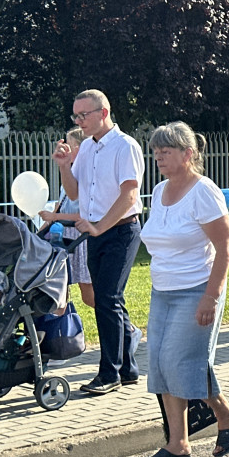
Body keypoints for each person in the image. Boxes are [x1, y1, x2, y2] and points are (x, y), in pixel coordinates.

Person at [137, 122, 229, 457]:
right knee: (159, 362)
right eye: (155, 151)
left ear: (188, 154)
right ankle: (178, 443)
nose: (158, 156)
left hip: (197, 288)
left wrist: (211, 297)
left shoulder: (204, 191)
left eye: (165, 151)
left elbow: (225, 245)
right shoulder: (159, 191)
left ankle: (228, 415)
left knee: (180, 362)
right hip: (163, 289)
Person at [52, 90, 144, 396]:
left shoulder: (124, 145)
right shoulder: (88, 150)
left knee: (107, 298)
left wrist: (99, 226)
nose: (79, 121)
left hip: (120, 230)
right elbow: (75, 193)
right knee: (109, 299)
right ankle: (127, 369)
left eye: (84, 115)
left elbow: (129, 195)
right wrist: (65, 166)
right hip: (96, 233)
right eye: (75, 116)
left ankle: (110, 373)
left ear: (103, 112)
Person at [40, 127, 94, 308]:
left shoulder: (88, 177)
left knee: (89, 294)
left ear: (80, 148)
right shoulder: (69, 175)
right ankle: (62, 332)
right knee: (60, 290)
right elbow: (62, 204)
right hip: (65, 238)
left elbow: (85, 214)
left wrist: (55, 216)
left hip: (80, 238)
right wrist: (41, 230)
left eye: (70, 145)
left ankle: (128, 329)